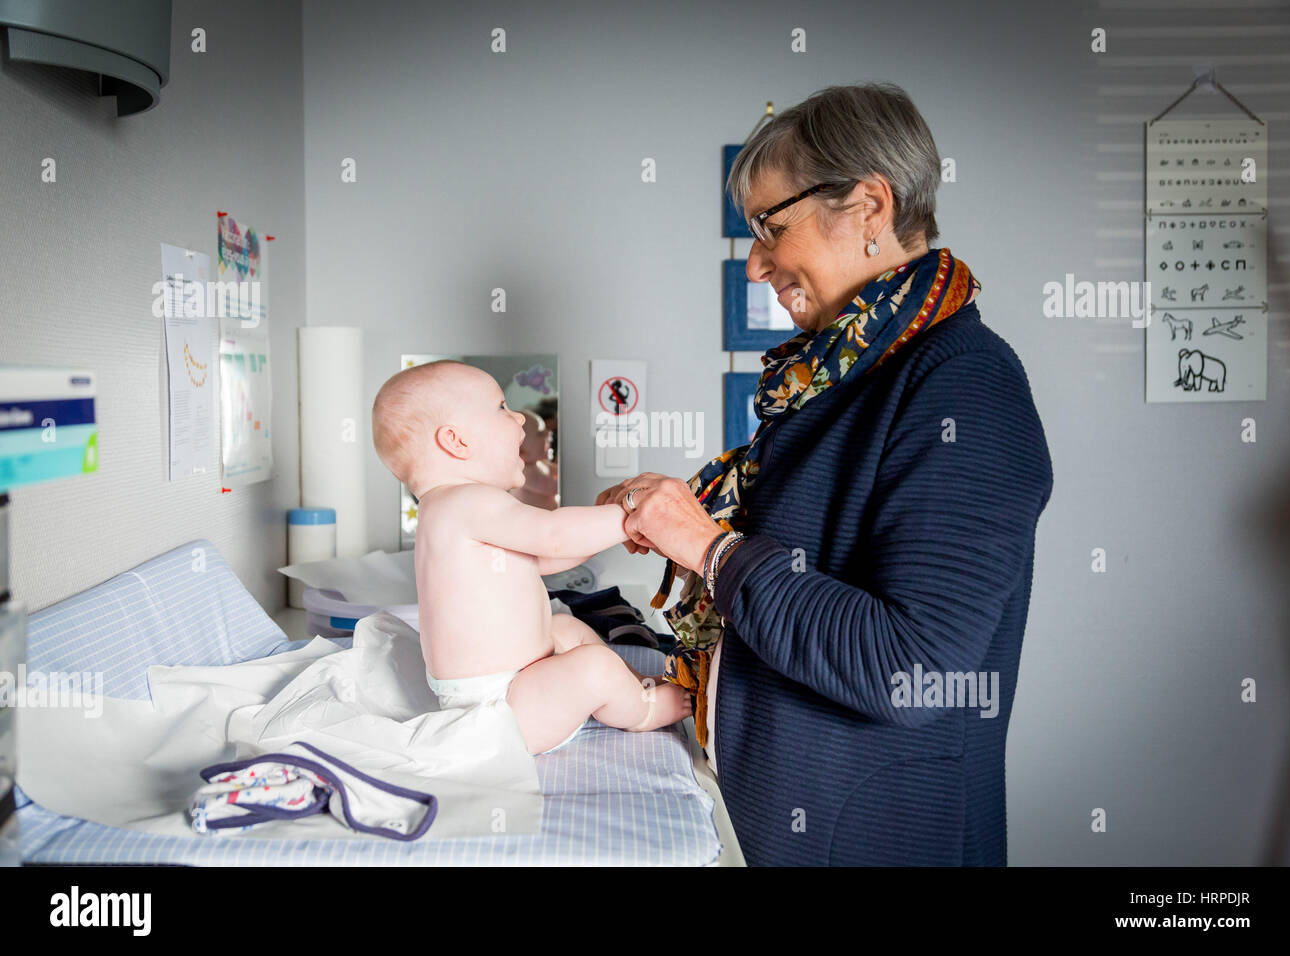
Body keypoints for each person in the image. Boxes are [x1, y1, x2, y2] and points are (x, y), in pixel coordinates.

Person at [598, 82, 1054, 865]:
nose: (755, 265)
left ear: (870, 206)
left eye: (771, 227)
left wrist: (708, 547)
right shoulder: (840, 380)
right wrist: (689, 521)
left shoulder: (965, 383)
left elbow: (912, 666)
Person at [371, 360, 692, 756]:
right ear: (456, 441)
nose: (520, 417)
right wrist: (632, 517)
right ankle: (642, 711)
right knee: (592, 665)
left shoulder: (447, 510)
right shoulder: (466, 501)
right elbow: (553, 535)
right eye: (501, 407)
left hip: (514, 687)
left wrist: (606, 536)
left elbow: (539, 559)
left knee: (567, 629)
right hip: (500, 709)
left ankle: (632, 685)